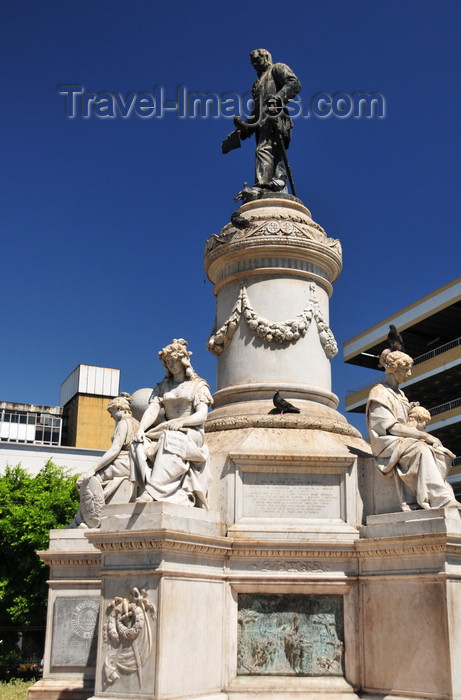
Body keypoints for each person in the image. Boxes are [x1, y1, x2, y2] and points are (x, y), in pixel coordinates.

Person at [366, 349, 460, 512]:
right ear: (394, 369)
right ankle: (438, 498)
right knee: (421, 449)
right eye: (405, 369)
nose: (409, 374)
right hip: (386, 441)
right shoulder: (379, 392)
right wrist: (424, 435)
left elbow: (406, 424)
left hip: (401, 439)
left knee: (439, 451)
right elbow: (391, 427)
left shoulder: (400, 394)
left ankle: (440, 493)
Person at [130, 339, 213, 507]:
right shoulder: (163, 386)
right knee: (138, 443)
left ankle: (153, 492)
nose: (171, 365)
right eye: (168, 362)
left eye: (174, 361)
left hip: (192, 431)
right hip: (166, 429)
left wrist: (181, 422)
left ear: (183, 361)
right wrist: (140, 429)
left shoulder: (198, 385)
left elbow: (202, 415)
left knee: (170, 438)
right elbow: (153, 410)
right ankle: (140, 490)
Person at [231, 49, 301, 195]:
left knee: (264, 149)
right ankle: (279, 186)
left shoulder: (277, 68)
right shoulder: (258, 83)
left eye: (257, 61)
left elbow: (294, 83)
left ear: (266, 57)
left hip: (276, 117)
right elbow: (257, 111)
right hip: (262, 122)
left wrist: (278, 97)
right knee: (274, 156)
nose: (255, 65)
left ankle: (262, 186)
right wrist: (245, 128)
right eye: (253, 63)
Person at [70, 393, 139, 527]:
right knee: (90, 481)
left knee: (85, 480)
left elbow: (114, 450)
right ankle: (84, 519)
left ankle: (83, 521)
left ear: (119, 409)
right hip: (133, 463)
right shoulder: (137, 423)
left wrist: (93, 469)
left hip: (123, 462)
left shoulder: (124, 423)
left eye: (111, 412)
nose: (111, 416)